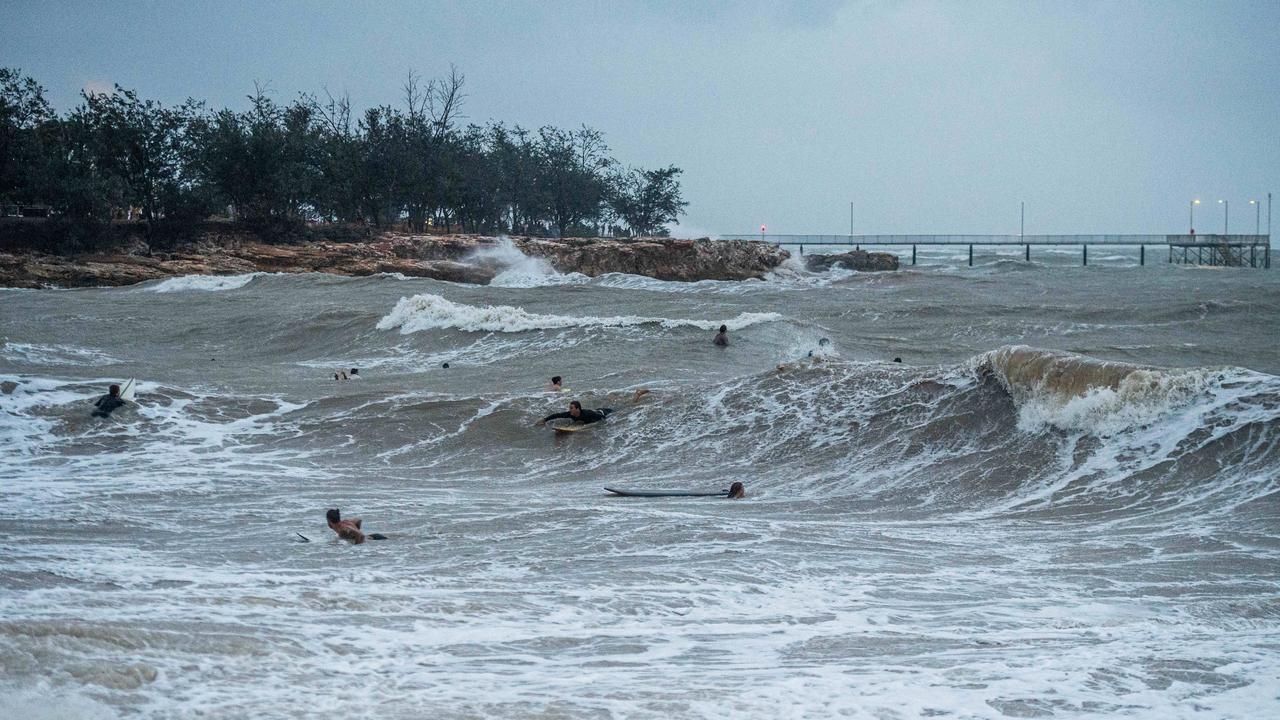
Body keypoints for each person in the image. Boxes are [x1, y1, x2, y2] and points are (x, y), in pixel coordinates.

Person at [536, 400, 613, 427]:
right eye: (569, 408)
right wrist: (544, 420)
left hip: (604, 412)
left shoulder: (587, 414)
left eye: (571, 408)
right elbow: (557, 415)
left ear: (578, 409)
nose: (570, 410)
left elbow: (601, 417)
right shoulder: (570, 414)